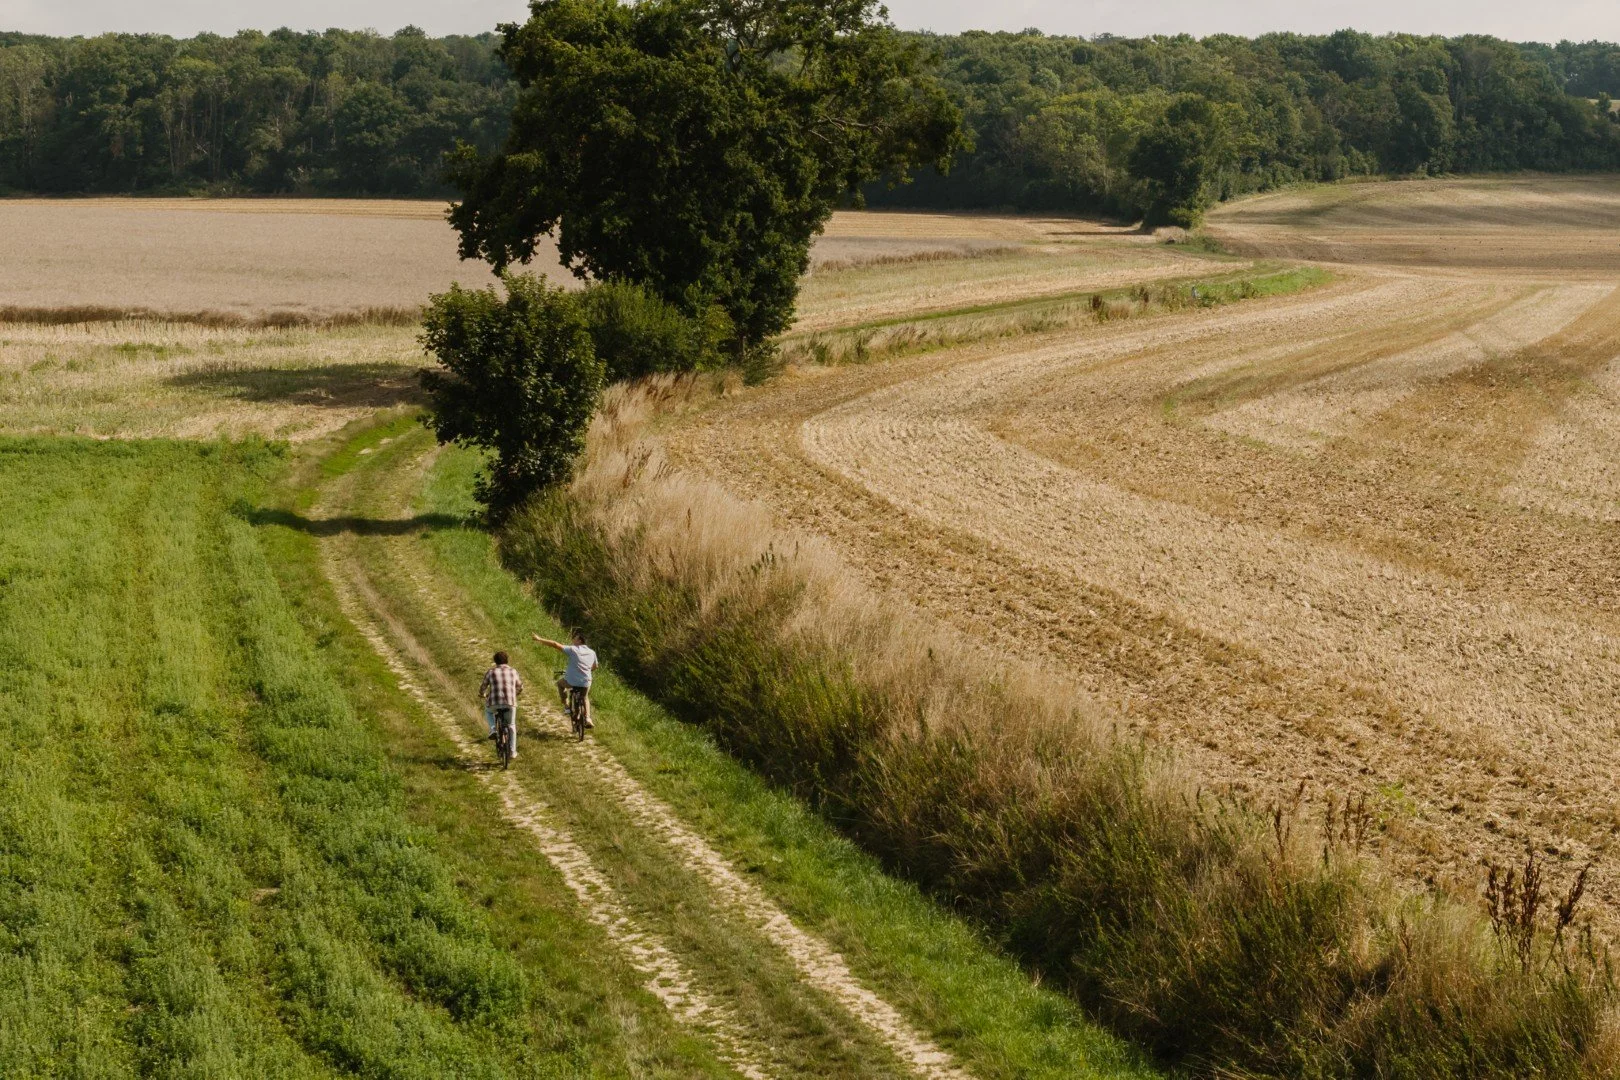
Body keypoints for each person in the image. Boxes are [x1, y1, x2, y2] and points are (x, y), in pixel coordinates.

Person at [532, 630, 597, 729]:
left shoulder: (573, 649)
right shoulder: (592, 652)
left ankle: (566, 706)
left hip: (571, 680)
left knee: (560, 684)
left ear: (579, 640)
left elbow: (555, 644)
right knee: (585, 697)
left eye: (575, 638)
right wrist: (586, 670)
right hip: (586, 681)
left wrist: (539, 639)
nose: (573, 640)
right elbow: (595, 666)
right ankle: (588, 718)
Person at [479, 650, 523, 758]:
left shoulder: (491, 672)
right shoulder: (513, 671)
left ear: (495, 661)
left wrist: (483, 694)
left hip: (494, 702)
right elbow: (520, 687)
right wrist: (514, 694)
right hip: (510, 703)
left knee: (488, 711)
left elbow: (483, 687)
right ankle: (512, 752)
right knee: (511, 725)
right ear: (507, 660)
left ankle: (493, 728)